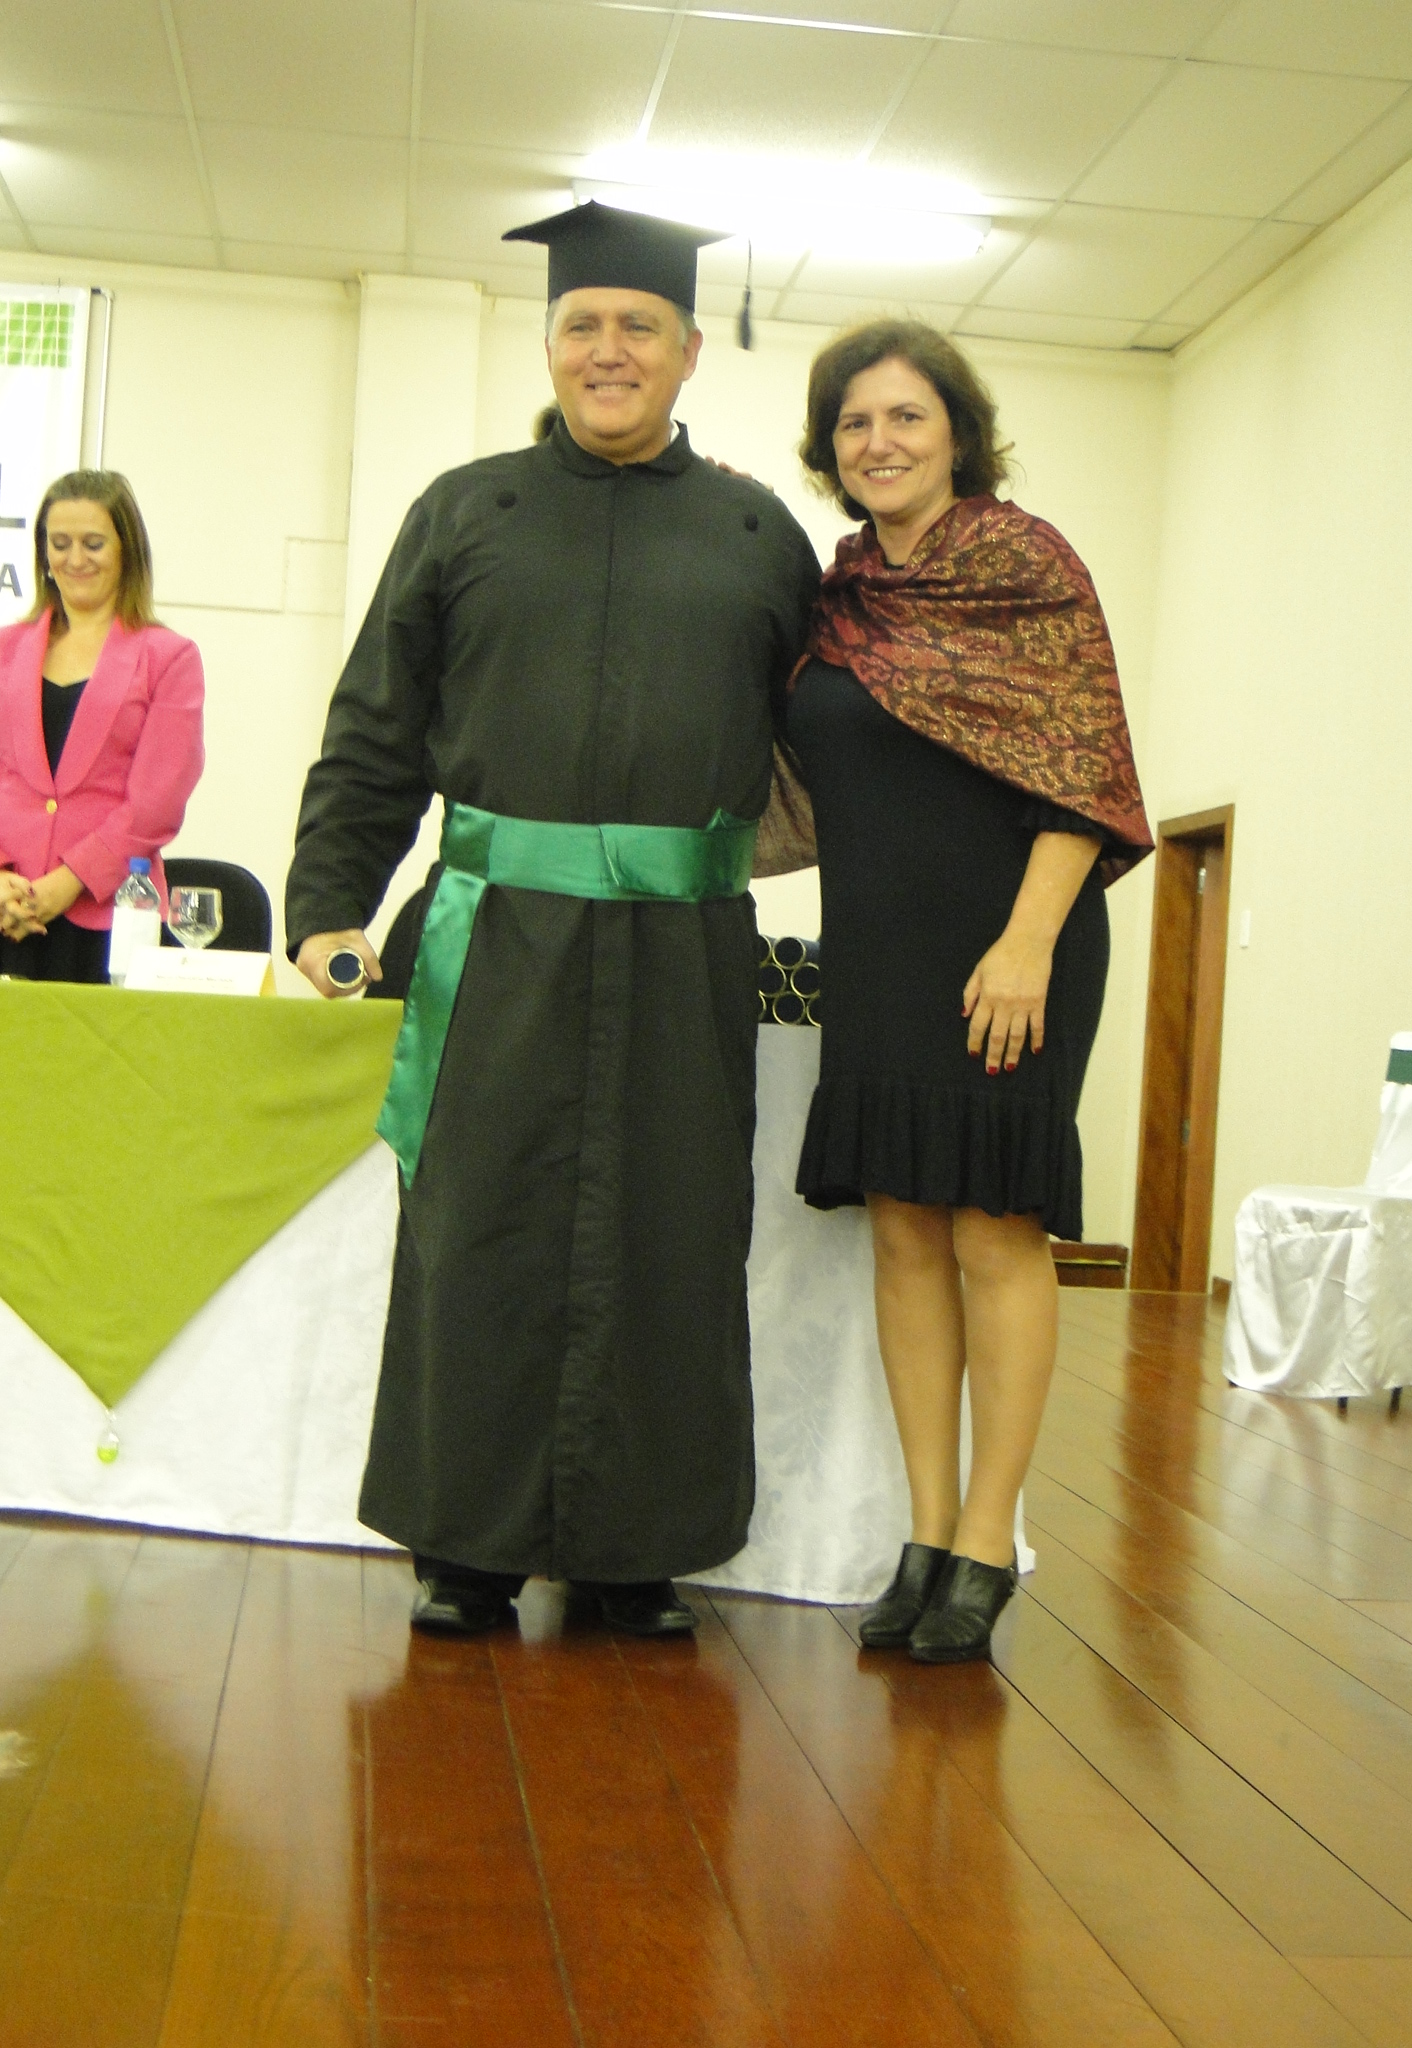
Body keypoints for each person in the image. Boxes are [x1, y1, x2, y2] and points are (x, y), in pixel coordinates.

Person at [286, 202, 822, 1640]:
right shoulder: (466, 514)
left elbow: (836, 741)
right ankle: (464, 1547)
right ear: (550, 344)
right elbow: (375, 730)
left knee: (673, 1233)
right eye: (582, 325)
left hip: (683, 951)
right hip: (494, 940)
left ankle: (636, 1554)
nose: (608, 349)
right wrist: (328, 903)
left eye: (638, 325)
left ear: (690, 351)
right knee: (479, 1228)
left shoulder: (759, 538)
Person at [788, 320, 1151, 1663]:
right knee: (900, 1228)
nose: (878, 442)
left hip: (1015, 943)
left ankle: (989, 1537)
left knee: (994, 1230)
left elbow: (1086, 765)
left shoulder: (1024, 563)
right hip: (877, 947)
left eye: (906, 417)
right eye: (854, 422)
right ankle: (925, 1529)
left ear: (958, 432)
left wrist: (1029, 940)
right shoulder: (837, 599)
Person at [0, 471, 204, 980]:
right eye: (60, 544)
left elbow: (156, 805)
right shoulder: (5, 650)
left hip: (109, 917)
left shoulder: (169, 658)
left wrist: (68, 881)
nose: (75, 559)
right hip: (7, 909)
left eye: (93, 544)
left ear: (126, 551)